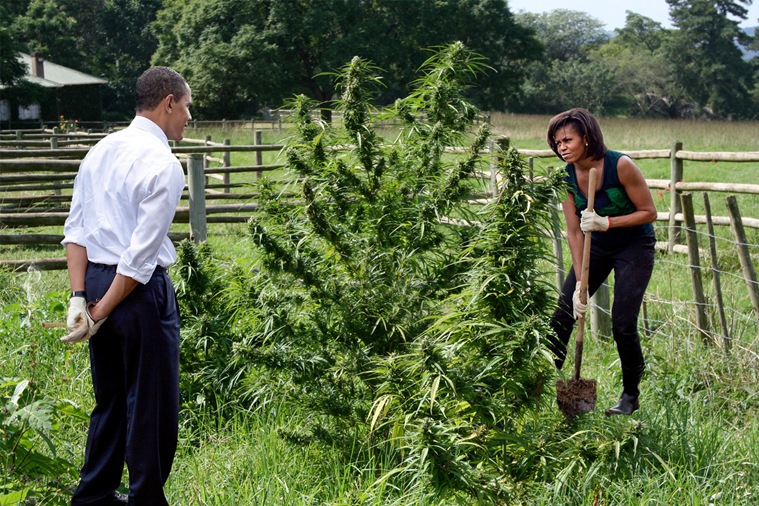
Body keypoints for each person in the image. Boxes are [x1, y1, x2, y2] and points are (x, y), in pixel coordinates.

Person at [61, 66, 191, 504]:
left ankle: (93, 498)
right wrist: (98, 312)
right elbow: (138, 259)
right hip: (136, 293)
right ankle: (146, 499)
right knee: (150, 403)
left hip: (96, 281)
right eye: (187, 106)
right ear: (168, 102)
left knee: (111, 399)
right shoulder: (164, 165)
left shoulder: (100, 151)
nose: (189, 117)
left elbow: (75, 231)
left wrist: (80, 298)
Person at [545, 108, 657, 416]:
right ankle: (541, 383)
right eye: (557, 143)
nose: (561, 147)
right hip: (595, 247)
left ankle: (630, 396)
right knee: (564, 312)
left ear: (587, 137)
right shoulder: (565, 177)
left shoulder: (620, 166)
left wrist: (607, 223)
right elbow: (572, 230)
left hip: (634, 245)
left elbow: (649, 212)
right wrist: (581, 281)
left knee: (622, 324)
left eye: (567, 139)